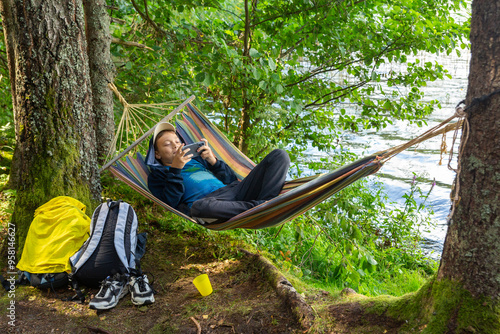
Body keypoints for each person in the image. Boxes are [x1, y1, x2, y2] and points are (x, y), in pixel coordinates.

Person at [146, 122, 290, 224]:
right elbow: (169, 202)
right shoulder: (158, 175)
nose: (175, 145)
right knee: (199, 208)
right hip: (213, 204)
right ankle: (262, 208)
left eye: (177, 141)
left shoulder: (198, 160)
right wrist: (176, 169)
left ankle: (266, 204)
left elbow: (231, 179)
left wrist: (212, 160)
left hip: (235, 191)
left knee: (279, 155)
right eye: (167, 144)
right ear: (157, 154)